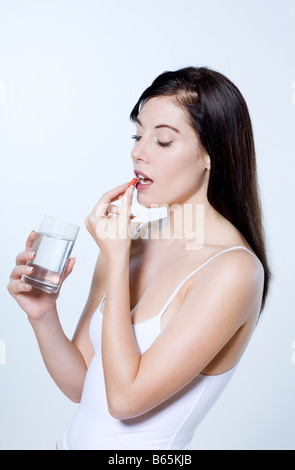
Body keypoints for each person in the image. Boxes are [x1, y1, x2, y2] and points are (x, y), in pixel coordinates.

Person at [7, 66, 271, 450]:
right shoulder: (129, 242)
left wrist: (116, 262)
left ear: (211, 155)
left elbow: (125, 400)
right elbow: (84, 384)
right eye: (137, 135)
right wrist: (43, 314)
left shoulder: (234, 271)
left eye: (162, 141)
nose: (137, 152)